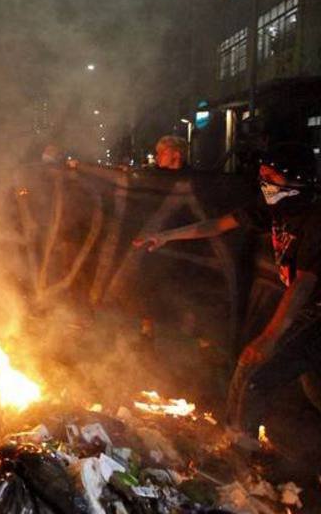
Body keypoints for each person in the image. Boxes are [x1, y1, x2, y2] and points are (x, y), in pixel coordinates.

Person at [134, 143, 321, 441]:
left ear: (295, 177)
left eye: (272, 177)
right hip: (307, 310)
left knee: (253, 374)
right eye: (262, 177)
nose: (265, 184)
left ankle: (239, 451)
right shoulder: (271, 204)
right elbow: (217, 225)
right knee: (315, 391)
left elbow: (303, 285)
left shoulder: (314, 217)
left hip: (315, 313)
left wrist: (268, 338)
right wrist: (166, 236)